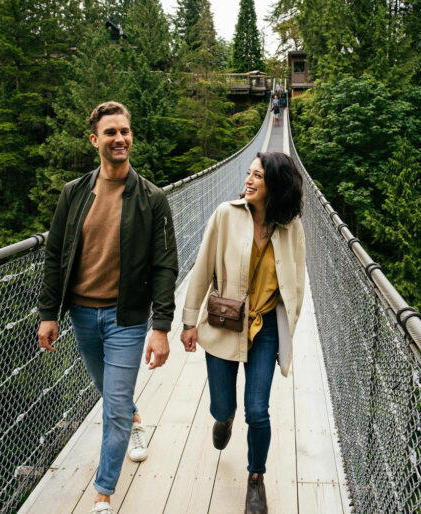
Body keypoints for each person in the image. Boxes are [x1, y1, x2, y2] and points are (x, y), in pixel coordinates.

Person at [37, 101, 178, 514]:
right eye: (111, 132)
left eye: (125, 131)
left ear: (131, 136)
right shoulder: (74, 193)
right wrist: (48, 314)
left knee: (113, 405)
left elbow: (165, 264)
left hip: (127, 319)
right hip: (81, 313)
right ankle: (135, 421)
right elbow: (55, 253)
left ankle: (102, 495)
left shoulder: (151, 198)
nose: (120, 138)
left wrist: (162, 327)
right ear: (95, 140)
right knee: (109, 394)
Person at [180, 152, 306, 514]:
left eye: (258, 176)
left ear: (275, 185)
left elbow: (297, 279)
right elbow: (202, 267)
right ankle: (224, 417)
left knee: (258, 411)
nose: (248, 180)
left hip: (264, 327)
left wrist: (289, 330)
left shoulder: (290, 226)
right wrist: (190, 322)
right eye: (248, 174)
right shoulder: (226, 214)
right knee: (224, 405)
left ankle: (255, 478)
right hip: (224, 322)